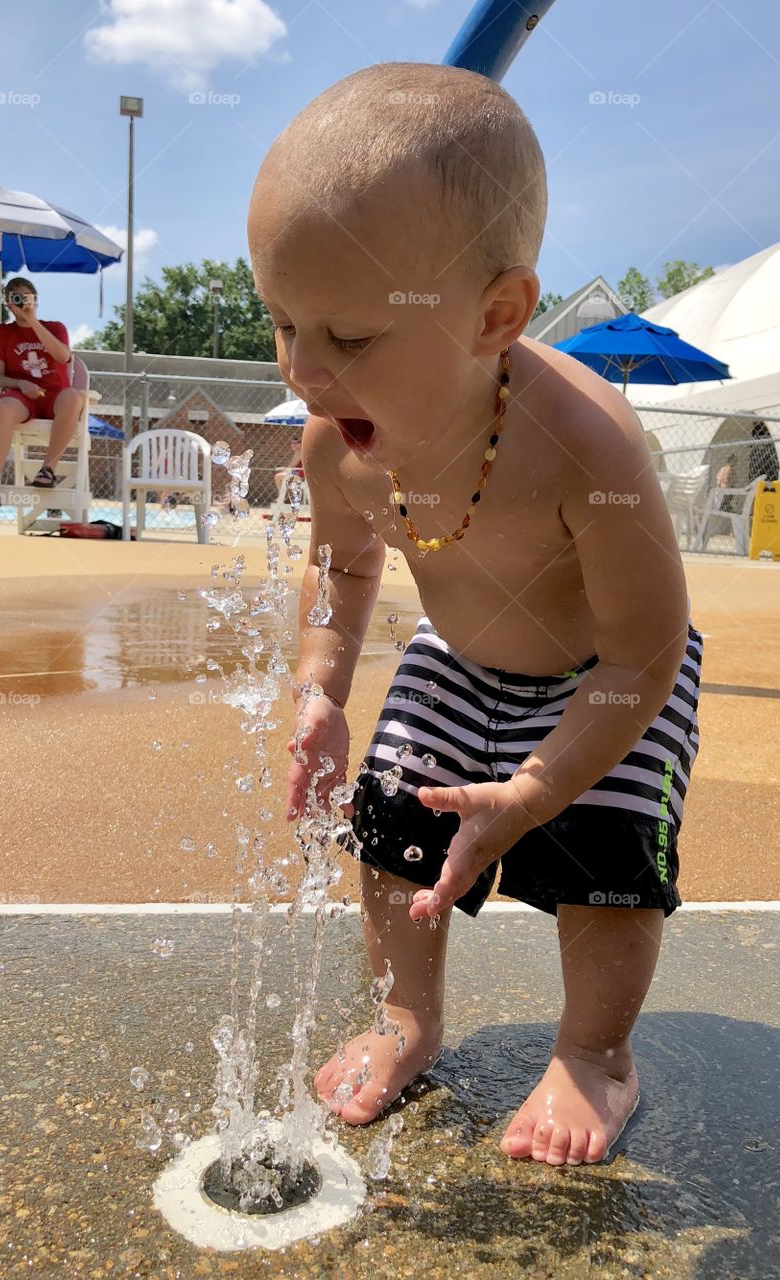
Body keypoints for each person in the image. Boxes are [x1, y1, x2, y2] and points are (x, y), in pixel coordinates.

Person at [248, 62, 703, 1168]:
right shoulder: (334, 440)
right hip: (457, 658)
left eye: (348, 340)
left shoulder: (587, 447)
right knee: (391, 822)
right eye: (281, 323)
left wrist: (541, 787)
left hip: (608, 674)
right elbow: (346, 575)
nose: (305, 372)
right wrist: (320, 690)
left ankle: (597, 1052)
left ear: (496, 315)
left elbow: (647, 648)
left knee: (608, 855)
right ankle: (407, 1019)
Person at [0, 277, 84, 508]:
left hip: (54, 396)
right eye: (15, 298)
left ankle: (48, 470)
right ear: (8, 304)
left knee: (73, 397)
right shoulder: (1, 333)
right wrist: (21, 384)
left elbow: (63, 357)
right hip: (21, 397)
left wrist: (32, 321)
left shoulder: (54, 327)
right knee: (3, 407)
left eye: (25, 296)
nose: (21, 302)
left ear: (35, 299)